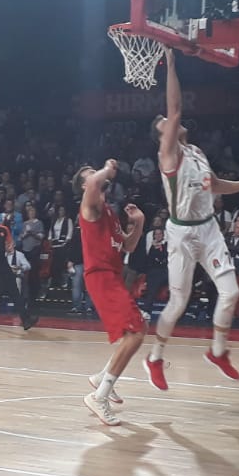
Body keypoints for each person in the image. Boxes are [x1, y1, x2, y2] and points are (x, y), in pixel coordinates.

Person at [145, 48, 239, 390]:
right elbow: (175, 109)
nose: (172, 121)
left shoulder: (197, 152)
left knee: (231, 293)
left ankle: (218, 351)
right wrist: (172, 64)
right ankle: (155, 357)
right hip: (182, 234)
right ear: (163, 135)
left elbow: (215, 185)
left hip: (209, 228)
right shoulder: (167, 154)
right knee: (178, 302)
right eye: (165, 124)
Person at [73, 159, 148, 425]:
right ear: (84, 186)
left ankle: (101, 379)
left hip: (112, 275)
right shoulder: (89, 207)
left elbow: (128, 246)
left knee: (138, 329)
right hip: (100, 276)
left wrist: (139, 223)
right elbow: (96, 181)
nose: (96, 175)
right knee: (136, 333)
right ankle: (100, 396)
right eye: (91, 174)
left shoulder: (108, 212)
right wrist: (107, 168)